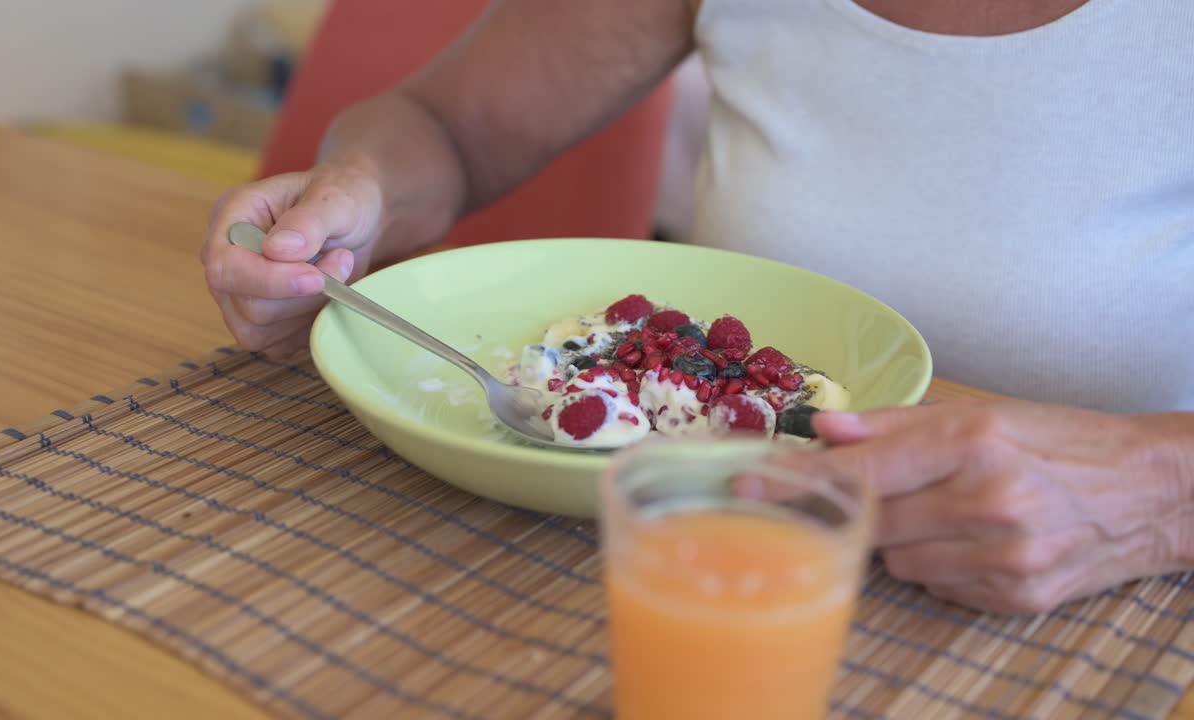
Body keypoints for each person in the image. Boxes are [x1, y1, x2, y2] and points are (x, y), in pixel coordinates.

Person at [200, 0, 1194, 615]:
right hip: (703, 555)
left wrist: (1156, 496)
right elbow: (444, 126)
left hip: (1101, 601)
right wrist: (352, 199)